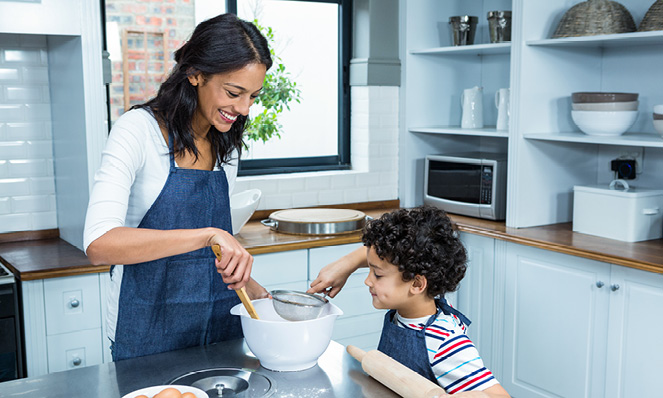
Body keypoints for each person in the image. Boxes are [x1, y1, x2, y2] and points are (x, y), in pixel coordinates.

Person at [83, 13, 272, 361]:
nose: (244, 109)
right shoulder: (137, 131)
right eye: (234, 92)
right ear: (196, 73)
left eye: (252, 97)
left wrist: (256, 291)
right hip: (147, 332)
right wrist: (207, 234)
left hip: (219, 329)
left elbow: (216, 252)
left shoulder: (225, 146)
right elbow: (99, 243)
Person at [309, 206, 510, 397]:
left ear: (416, 284)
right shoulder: (410, 306)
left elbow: (499, 395)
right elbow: (384, 257)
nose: (367, 280)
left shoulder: (444, 343)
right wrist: (346, 265)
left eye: (377, 275)